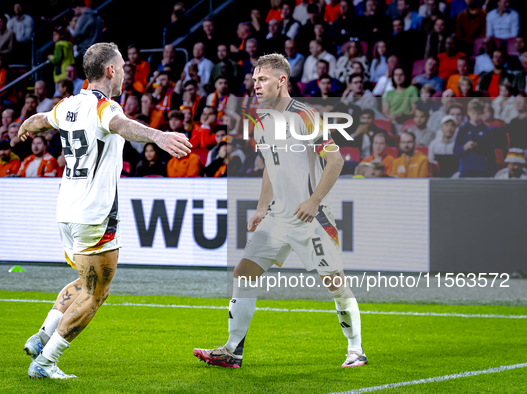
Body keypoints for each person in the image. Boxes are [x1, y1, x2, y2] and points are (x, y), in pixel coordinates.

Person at [19, 42, 191, 379]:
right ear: (110, 70)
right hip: (94, 216)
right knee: (97, 292)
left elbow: (41, 119)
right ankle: (45, 362)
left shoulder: (68, 105)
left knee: (85, 280)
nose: (125, 72)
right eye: (123, 66)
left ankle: (42, 337)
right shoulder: (105, 107)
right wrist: (158, 136)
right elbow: (122, 126)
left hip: (66, 212)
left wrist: (26, 125)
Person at [193, 54, 367, 369]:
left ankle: (356, 349)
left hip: (312, 218)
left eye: (262, 79)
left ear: (281, 80)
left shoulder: (306, 114)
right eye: (254, 79)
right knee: (243, 274)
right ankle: (232, 350)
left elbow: (336, 160)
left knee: (335, 282)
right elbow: (269, 167)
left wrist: (313, 200)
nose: (255, 85)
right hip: (277, 217)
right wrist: (261, 207)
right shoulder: (261, 120)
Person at [453, 99, 496, 177]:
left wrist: (492, 173)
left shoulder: (486, 130)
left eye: (478, 113)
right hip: (465, 168)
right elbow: (455, 151)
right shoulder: (463, 130)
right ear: (468, 113)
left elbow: (491, 154)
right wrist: (465, 147)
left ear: (482, 113)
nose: (476, 116)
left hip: (482, 169)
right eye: (473, 113)